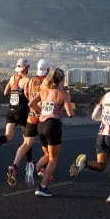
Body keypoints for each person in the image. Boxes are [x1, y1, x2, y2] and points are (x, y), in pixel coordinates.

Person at [70, 72, 110, 203]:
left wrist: (105, 120)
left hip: (102, 134)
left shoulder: (105, 96)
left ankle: (84, 163)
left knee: (101, 166)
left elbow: (94, 116)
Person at [0, 58, 31, 186]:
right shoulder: (27, 80)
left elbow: (6, 92)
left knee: (8, 136)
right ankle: (29, 165)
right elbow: (28, 96)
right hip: (22, 111)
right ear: (26, 68)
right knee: (27, 140)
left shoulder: (13, 78)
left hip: (11, 110)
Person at [30, 68, 74, 197]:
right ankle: (42, 187)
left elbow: (31, 103)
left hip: (41, 125)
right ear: (62, 79)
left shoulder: (44, 91)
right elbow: (70, 113)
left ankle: (35, 167)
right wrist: (66, 103)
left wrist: (42, 112)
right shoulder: (64, 93)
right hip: (53, 126)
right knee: (53, 159)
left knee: (48, 154)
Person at [10, 59, 49, 186]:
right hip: (44, 117)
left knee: (26, 143)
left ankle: (14, 165)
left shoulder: (31, 80)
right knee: (49, 149)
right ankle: (39, 167)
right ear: (48, 70)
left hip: (31, 116)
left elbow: (27, 94)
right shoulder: (48, 81)